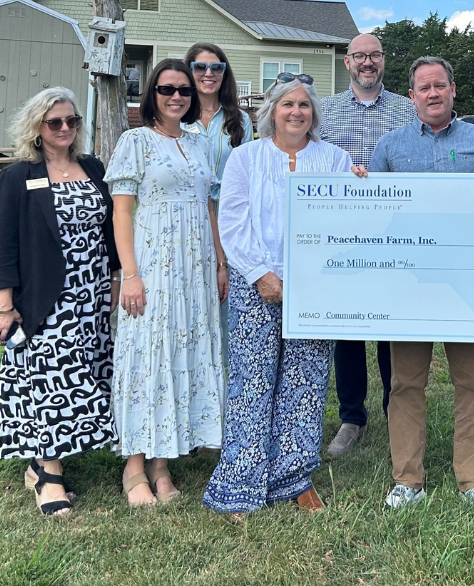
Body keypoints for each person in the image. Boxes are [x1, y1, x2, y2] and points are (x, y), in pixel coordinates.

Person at [202, 72, 356, 517]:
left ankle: (293, 476)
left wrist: (362, 185)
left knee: (306, 385)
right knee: (252, 382)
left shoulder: (335, 159)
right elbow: (232, 222)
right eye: (287, 104)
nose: (296, 112)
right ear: (271, 113)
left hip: (314, 287)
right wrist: (260, 274)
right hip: (258, 286)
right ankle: (241, 479)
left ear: (314, 114)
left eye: (304, 105)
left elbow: (351, 220)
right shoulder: (246, 158)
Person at [364, 56, 474, 512]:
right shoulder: (390, 146)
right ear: (411, 96)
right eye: (423, 88)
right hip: (410, 285)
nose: (432, 94)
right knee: (406, 384)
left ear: (453, 89)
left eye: (439, 86)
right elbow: (372, 213)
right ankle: (408, 479)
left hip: (468, 283)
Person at [0, 86, 120, 516]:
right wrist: (4, 305)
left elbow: (110, 229)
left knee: (81, 376)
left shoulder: (93, 167)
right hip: (47, 296)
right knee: (48, 382)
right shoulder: (18, 175)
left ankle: (40, 462)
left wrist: (117, 277)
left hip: (94, 293)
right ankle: (49, 476)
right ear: (37, 128)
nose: (65, 128)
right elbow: (5, 245)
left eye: (72, 121)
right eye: (55, 122)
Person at [106, 58, 229, 506]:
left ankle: (163, 463)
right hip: (154, 267)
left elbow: (209, 207)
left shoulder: (198, 145)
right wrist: (131, 275)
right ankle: (134, 464)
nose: (176, 96)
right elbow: (121, 212)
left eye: (183, 90)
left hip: (195, 271)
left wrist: (220, 263)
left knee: (184, 353)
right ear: (152, 94)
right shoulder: (135, 141)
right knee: (148, 355)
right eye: (166, 89)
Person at [319, 33, 416, 459]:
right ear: (347, 62)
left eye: (374, 55)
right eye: (359, 56)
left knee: (393, 325)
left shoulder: (406, 108)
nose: (367, 62)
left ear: (383, 61)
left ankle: (397, 409)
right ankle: (352, 417)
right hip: (343, 231)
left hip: (396, 230)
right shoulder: (324, 111)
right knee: (348, 329)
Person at [183, 42, 254, 363]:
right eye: (200, 67)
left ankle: (223, 390)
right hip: (186, 219)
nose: (208, 74)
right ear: (189, 72)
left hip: (230, 220)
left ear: (225, 74)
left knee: (225, 303)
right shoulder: (177, 115)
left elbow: (249, 174)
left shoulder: (239, 120)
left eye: (216, 68)